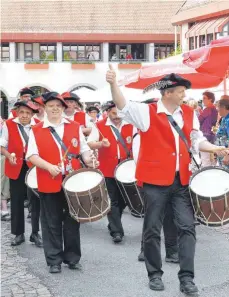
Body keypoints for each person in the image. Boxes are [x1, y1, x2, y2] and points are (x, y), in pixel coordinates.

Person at [106, 67, 229, 295]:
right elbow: (123, 105)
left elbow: (196, 140)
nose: (184, 95)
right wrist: (113, 84)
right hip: (154, 182)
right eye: (181, 91)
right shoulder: (147, 112)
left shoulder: (188, 114)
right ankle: (154, 274)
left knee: (187, 228)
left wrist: (216, 148)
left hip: (180, 181)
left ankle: (187, 278)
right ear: (167, 93)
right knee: (152, 229)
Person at [26, 92, 98, 273]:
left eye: (59, 105)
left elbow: (84, 150)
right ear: (45, 108)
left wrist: (90, 160)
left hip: (72, 180)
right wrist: (49, 166)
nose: (55, 108)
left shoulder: (74, 127)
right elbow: (31, 155)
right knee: (51, 221)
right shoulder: (36, 130)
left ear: (64, 108)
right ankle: (54, 260)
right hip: (48, 180)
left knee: (73, 219)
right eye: (51, 106)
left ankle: (72, 258)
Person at [132, 99, 178, 263]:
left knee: (170, 216)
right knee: (152, 218)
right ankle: (146, 249)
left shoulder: (171, 127)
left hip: (171, 178)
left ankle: (172, 251)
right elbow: (138, 156)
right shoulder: (141, 131)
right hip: (151, 181)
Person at [87, 101, 137, 243]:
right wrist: (101, 144)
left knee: (124, 200)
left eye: (119, 113)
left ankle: (113, 223)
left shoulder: (130, 124)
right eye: (114, 113)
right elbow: (90, 143)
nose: (117, 116)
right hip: (108, 169)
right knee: (112, 200)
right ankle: (117, 231)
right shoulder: (100, 125)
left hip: (127, 169)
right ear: (107, 112)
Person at [0, 101, 43, 247]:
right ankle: (18, 234)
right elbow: (2, 145)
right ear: (17, 112)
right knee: (17, 200)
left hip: (34, 166)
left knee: (35, 201)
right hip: (15, 166)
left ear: (32, 114)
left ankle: (35, 233)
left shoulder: (38, 124)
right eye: (22, 112)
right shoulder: (9, 124)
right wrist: (8, 155)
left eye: (28, 113)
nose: (24, 115)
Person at [198, 91, 218, 166]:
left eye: (204, 98)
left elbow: (198, 120)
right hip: (211, 135)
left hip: (204, 135)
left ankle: (206, 174)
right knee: (211, 158)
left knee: (205, 158)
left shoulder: (208, 109)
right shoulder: (214, 109)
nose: (203, 100)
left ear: (210, 99)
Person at [215, 97, 229, 168]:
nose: (217, 109)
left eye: (218, 107)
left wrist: (227, 155)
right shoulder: (224, 118)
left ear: (223, 107)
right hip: (222, 156)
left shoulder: (228, 120)